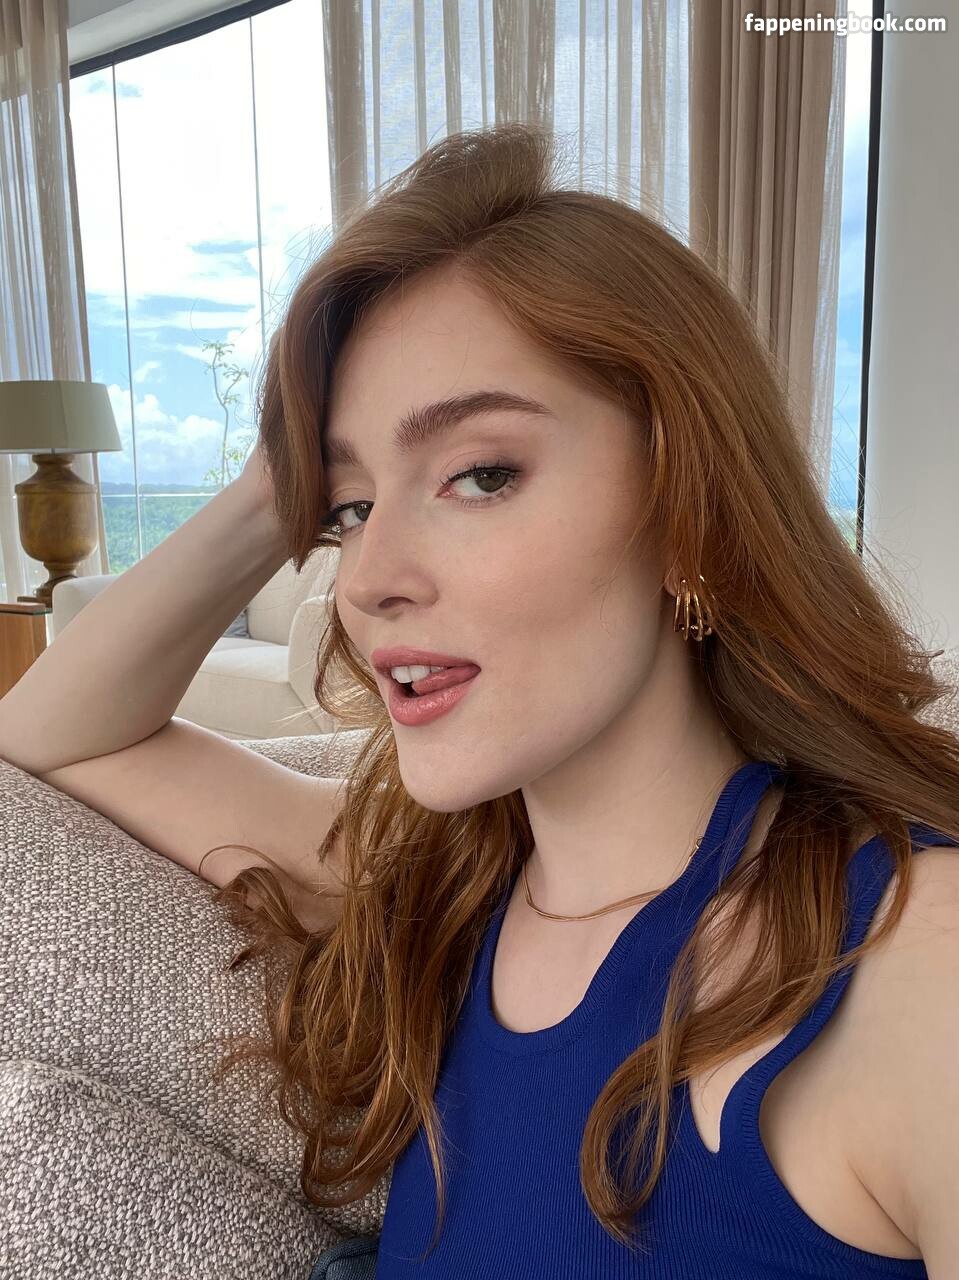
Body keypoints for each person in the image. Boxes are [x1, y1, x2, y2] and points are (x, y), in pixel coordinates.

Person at [2, 121, 959, 1277]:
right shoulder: (432, 890)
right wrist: (285, 468)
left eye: (478, 473)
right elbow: (51, 733)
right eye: (349, 509)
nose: (366, 577)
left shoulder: (915, 964)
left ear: (687, 509)